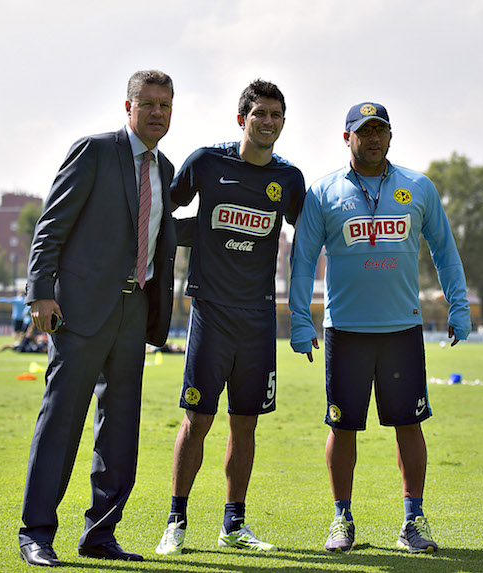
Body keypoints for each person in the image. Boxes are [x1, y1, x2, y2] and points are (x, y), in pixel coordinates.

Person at [288, 102, 471, 554]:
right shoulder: (323, 192)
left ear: (390, 137)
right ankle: (341, 519)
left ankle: (413, 521)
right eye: (363, 131)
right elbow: (303, 260)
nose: (372, 138)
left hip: (401, 330)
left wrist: (459, 306)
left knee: (409, 425)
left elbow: (445, 251)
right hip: (345, 330)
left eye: (380, 131)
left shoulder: (419, 187)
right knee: (342, 426)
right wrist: (298, 319)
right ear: (346, 136)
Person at [18, 70, 178, 567]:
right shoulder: (94, 150)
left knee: (121, 428)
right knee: (61, 421)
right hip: (80, 311)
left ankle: (101, 534)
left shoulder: (165, 168)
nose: (156, 112)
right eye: (147, 103)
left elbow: (158, 237)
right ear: (127, 107)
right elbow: (50, 227)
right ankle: (37, 534)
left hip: (135, 311)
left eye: (165, 105)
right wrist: (41, 294)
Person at [154, 79, 305, 556]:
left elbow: (315, 234)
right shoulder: (205, 162)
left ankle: (233, 525)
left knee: (246, 424)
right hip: (211, 314)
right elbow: (159, 212)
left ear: (283, 123)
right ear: (242, 119)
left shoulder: (291, 179)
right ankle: (175, 523)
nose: (267, 122)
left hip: (260, 320)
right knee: (197, 419)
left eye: (275, 115)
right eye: (259, 113)